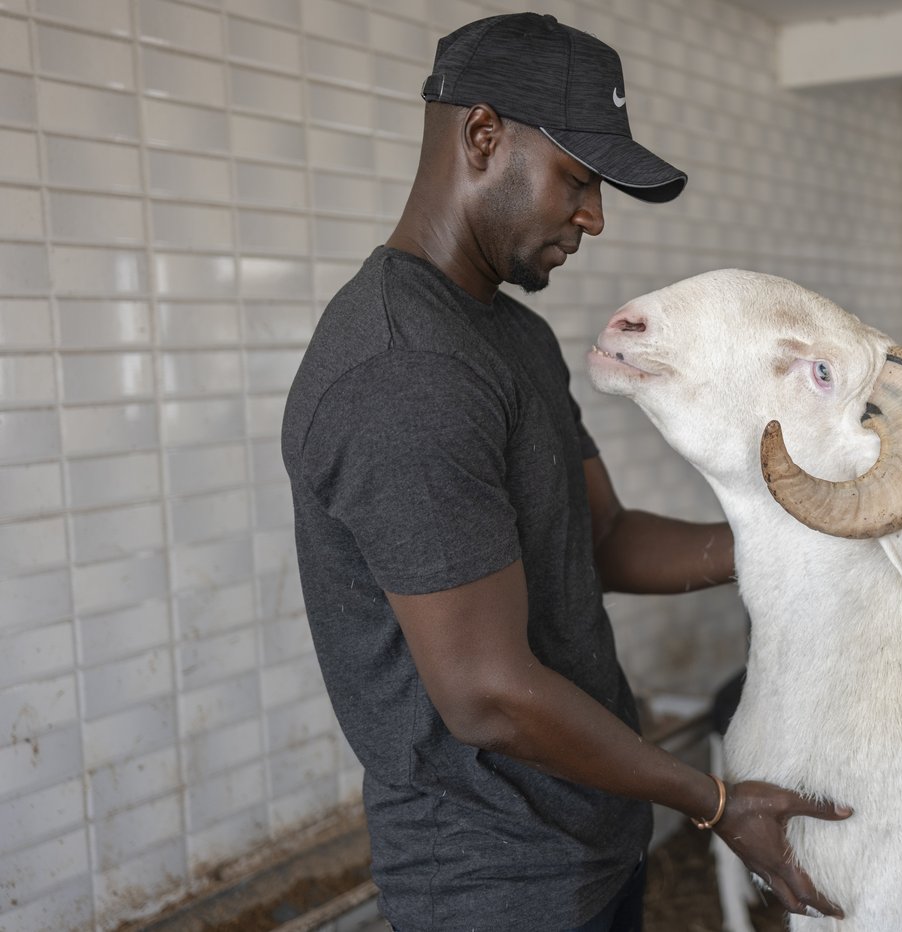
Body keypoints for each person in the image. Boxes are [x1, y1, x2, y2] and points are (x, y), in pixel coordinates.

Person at [281, 12, 850, 931]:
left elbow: (606, 539)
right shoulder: (402, 373)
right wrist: (711, 801)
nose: (593, 215)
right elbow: (488, 695)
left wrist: (794, 540)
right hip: (494, 885)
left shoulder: (511, 336)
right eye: (579, 179)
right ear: (481, 135)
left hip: (588, 842)